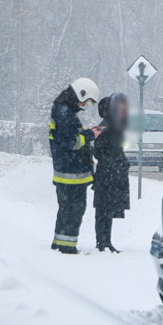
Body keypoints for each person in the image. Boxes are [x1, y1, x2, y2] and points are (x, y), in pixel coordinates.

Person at [49, 78, 101, 254]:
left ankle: (59, 243)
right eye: (85, 101)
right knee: (73, 211)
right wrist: (90, 135)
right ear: (80, 93)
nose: (84, 105)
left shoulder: (62, 111)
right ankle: (67, 247)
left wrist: (87, 133)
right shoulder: (65, 114)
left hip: (67, 171)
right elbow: (71, 142)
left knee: (66, 210)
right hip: (71, 174)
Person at [93, 93, 130, 254]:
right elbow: (99, 152)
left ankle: (106, 241)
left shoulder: (115, 128)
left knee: (107, 210)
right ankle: (102, 242)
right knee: (103, 211)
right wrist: (114, 166)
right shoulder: (105, 128)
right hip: (106, 176)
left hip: (111, 176)